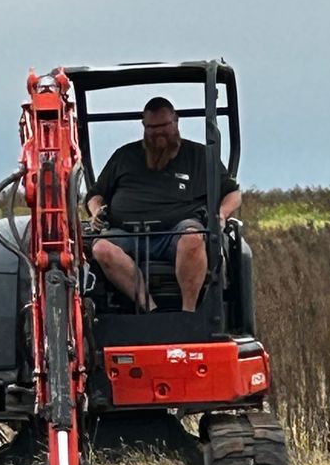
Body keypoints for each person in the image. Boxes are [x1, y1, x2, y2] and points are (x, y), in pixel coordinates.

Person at [85, 97, 242, 311]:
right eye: (152, 127)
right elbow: (95, 195)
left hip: (176, 233)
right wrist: (96, 211)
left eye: (163, 126)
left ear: (176, 122)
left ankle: (188, 313)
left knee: (193, 239)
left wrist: (221, 215)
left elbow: (233, 193)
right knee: (101, 247)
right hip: (128, 234)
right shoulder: (124, 157)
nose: (158, 132)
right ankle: (150, 310)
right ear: (144, 127)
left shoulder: (199, 156)